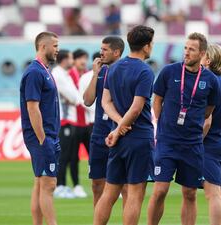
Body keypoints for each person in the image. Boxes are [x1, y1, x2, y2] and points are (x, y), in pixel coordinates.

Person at [147, 32, 220, 225]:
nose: (186, 53)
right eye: (185, 48)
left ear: (202, 53)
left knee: (189, 193)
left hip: (192, 144)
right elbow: (157, 102)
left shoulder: (211, 81)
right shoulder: (168, 72)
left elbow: (208, 111)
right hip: (167, 142)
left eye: (192, 49)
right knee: (160, 190)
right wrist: (164, 124)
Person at [93, 25, 155, 225]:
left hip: (117, 137)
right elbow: (136, 109)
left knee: (110, 192)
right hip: (138, 136)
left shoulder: (114, 68)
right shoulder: (145, 71)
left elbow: (105, 102)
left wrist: (118, 127)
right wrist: (121, 128)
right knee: (135, 194)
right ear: (146, 47)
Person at [79, 36, 126, 207]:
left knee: (125, 186)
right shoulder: (101, 73)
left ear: (116, 52)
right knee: (97, 184)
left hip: (120, 133)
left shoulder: (125, 71)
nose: (101, 53)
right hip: (99, 133)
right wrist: (95, 74)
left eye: (105, 49)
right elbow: (87, 100)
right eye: (101, 49)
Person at [20, 31, 60, 225]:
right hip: (42, 136)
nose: (57, 50)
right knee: (49, 184)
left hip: (49, 135)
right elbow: (32, 107)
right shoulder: (35, 72)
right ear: (43, 47)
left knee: (40, 183)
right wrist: (43, 138)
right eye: (55, 46)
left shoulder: (44, 70)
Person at [200, 44, 221, 225]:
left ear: (208, 60)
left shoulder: (208, 82)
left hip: (210, 142)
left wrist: (197, 141)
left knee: (212, 193)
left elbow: (207, 119)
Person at [51, 49, 81, 199]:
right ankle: (60, 186)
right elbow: (74, 97)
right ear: (64, 60)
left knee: (68, 155)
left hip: (69, 119)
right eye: (70, 58)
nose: (72, 61)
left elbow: (75, 96)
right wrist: (74, 98)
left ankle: (62, 185)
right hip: (64, 120)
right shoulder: (58, 74)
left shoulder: (64, 74)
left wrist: (74, 98)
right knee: (63, 156)